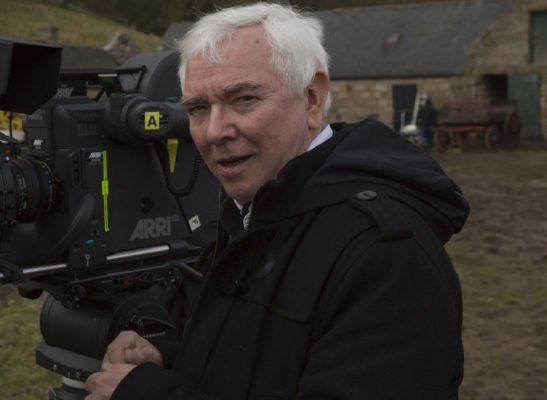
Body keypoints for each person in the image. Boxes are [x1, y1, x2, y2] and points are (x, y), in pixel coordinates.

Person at [84, 3, 468, 400]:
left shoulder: (387, 255)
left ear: (313, 99)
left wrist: (146, 395)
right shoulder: (247, 214)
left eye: (244, 99)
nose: (214, 131)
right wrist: (162, 350)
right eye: (197, 109)